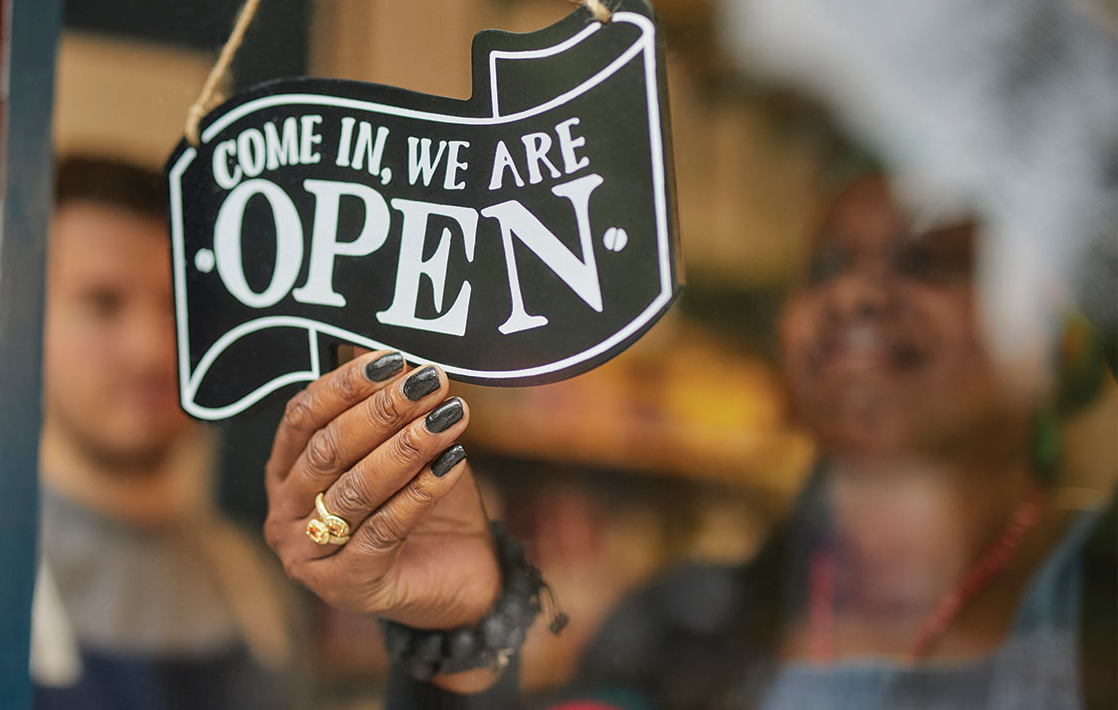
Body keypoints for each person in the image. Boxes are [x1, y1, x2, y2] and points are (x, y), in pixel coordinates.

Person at [261, 171, 1115, 709]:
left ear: (1051, 332)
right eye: (827, 266)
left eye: (928, 261)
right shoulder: (679, 626)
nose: (857, 294)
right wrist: (461, 633)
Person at [32, 156, 302, 710]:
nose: (152, 351)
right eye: (103, 302)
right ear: (26, 316)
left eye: (181, 306)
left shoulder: (255, 584)